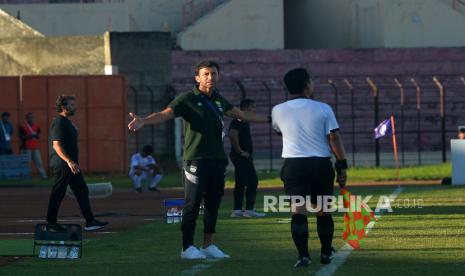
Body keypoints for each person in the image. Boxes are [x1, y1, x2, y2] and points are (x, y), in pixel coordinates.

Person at [128, 60, 268, 259]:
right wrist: (144, 120)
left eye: (213, 74)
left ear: (218, 76)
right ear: (197, 78)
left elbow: (242, 114)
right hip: (195, 160)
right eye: (206, 74)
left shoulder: (220, 100)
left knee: (213, 203)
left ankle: (208, 245)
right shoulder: (187, 99)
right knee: (192, 204)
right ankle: (187, 248)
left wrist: (272, 119)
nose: (210, 77)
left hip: (217, 160)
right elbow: (164, 114)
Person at [271, 68, 348, 267]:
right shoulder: (323, 108)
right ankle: (325, 253)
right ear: (307, 85)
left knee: (298, 211)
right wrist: (342, 164)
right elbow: (333, 137)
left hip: (293, 165)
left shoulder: (277, 110)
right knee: (323, 210)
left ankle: (303, 256)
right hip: (319, 164)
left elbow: (281, 132)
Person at [46, 95, 108, 232]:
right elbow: (56, 145)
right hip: (62, 165)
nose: (74, 107)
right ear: (63, 107)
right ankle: (51, 224)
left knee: (82, 190)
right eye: (71, 105)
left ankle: (90, 222)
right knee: (58, 193)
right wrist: (69, 161)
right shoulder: (59, 122)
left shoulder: (67, 122)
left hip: (71, 165)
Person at [229, 99, 265, 218]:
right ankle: (249, 209)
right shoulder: (239, 119)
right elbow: (232, 134)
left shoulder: (245, 120)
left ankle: (237, 210)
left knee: (241, 182)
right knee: (252, 181)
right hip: (241, 156)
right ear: (245, 108)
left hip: (243, 156)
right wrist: (240, 151)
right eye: (252, 107)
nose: (254, 110)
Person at [19, 112, 48, 179]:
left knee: (39, 162)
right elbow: (22, 137)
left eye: (32, 117)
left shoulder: (37, 126)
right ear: (27, 118)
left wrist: (34, 136)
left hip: (35, 147)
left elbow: (38, 135)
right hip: (26, 148)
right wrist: (31, 136)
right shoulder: (23, 126)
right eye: (29, 117)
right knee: (27, 163)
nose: (31, 118)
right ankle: (26, 176)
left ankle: (43, 176)